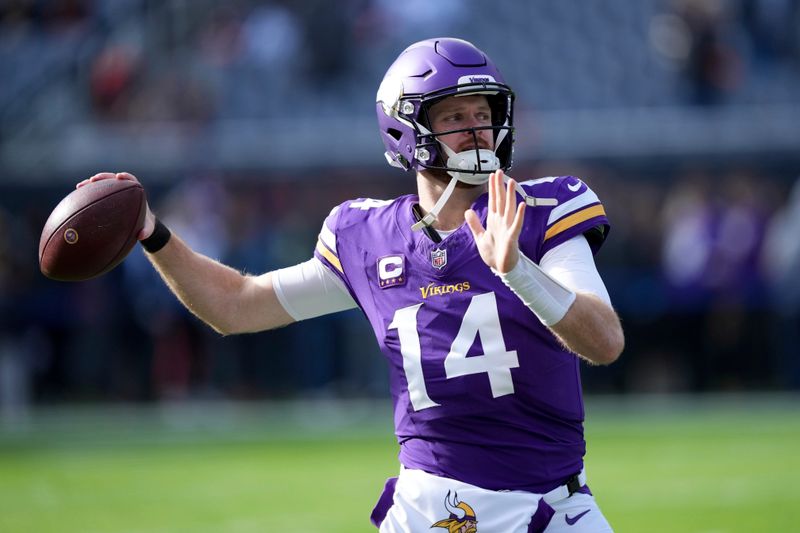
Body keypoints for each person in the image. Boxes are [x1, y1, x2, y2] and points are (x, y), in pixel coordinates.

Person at [81, 37, 623, 532]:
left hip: (547, 507)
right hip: (428, 511)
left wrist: (517, 272)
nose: (478, 129)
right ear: (405, 131)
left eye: (484, 113)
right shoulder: (366, 236)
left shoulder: (545, 209)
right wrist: (152, 234)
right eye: (455, 116)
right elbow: (236, 306)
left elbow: (605, 342)